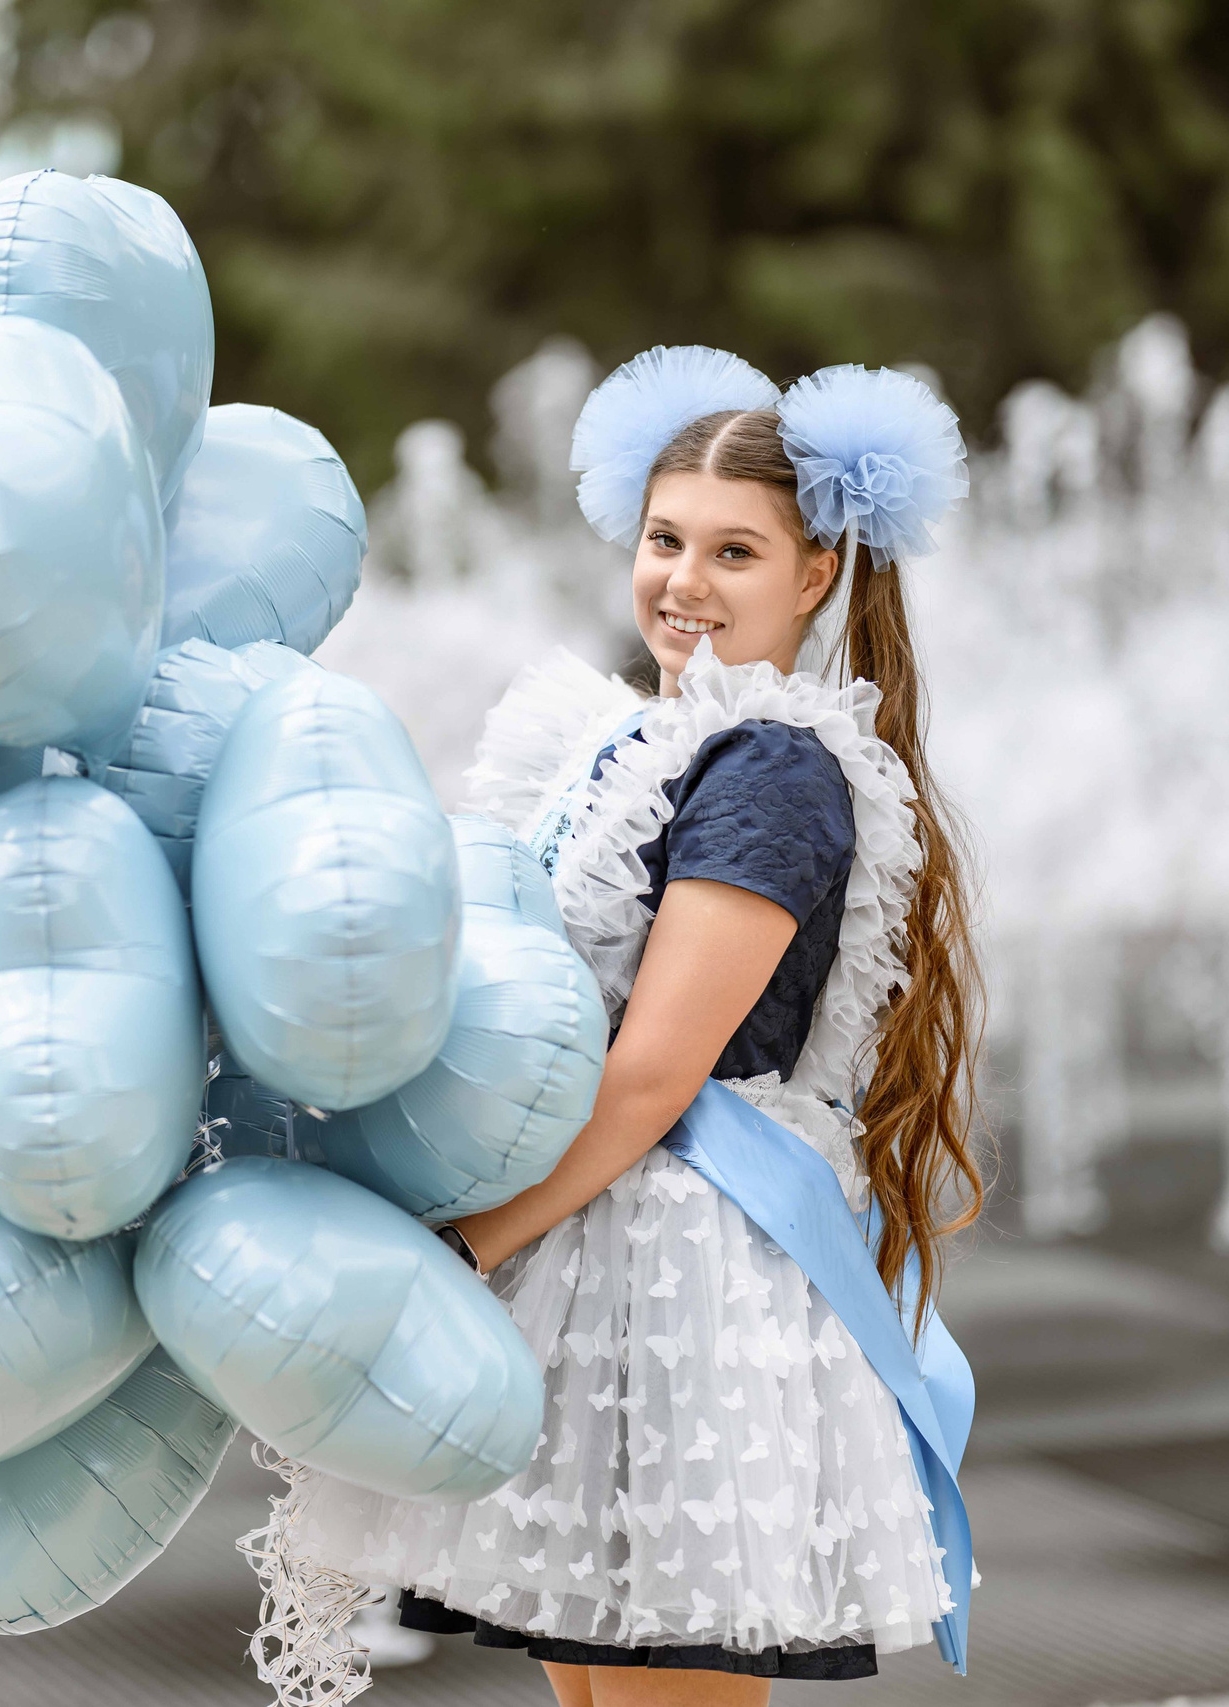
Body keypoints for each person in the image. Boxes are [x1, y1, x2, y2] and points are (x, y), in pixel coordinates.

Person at [268, 347, 988, 1705]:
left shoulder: (772, 766)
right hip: (586, 1251)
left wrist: (466, 1247)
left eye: (734, 552)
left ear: (814, 576)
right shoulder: (632, 743)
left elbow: (657, 1072)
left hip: (682, 1281)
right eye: (665, 541)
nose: (684, 582)